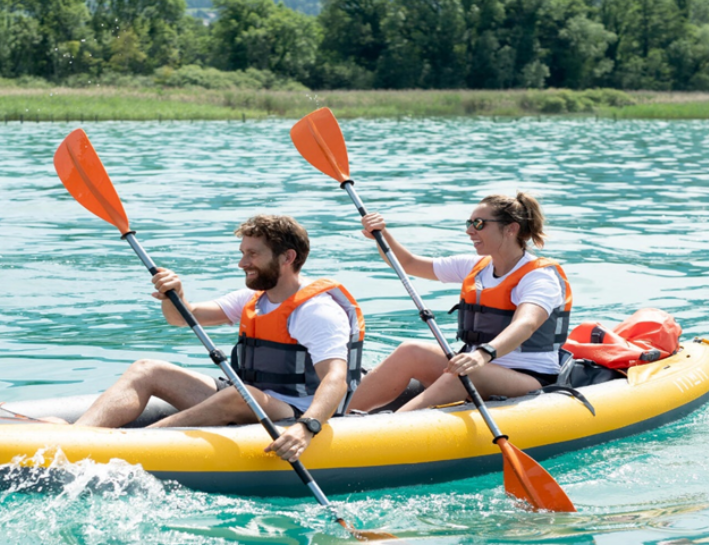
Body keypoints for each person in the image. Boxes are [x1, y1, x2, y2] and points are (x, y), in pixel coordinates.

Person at [50, 214, 365, 463]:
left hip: (295, 411)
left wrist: (307, 428)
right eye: (242, 253)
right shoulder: (254, 298)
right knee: (147, 369)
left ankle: (129, 448)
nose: (243, 263)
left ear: (287, 258)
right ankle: (79, 438)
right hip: (251, 396)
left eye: (253, 254)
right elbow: (182, 318)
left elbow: (335, 381)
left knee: (240, 396)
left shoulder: (316, 311)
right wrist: (174, 296)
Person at [346, 192, 572, 413]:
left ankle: (387, 430)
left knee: (464, 374)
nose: (469, 230)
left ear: (511, 229)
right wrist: (382, 234)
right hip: (478, 366)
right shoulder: (475, 266)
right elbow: (408, 263)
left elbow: (526, 324)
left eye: (479, 223)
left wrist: (482, 355)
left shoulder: (539, 276)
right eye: (469, 223)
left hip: (527, 377)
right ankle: (337, 420)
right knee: (411, 350)